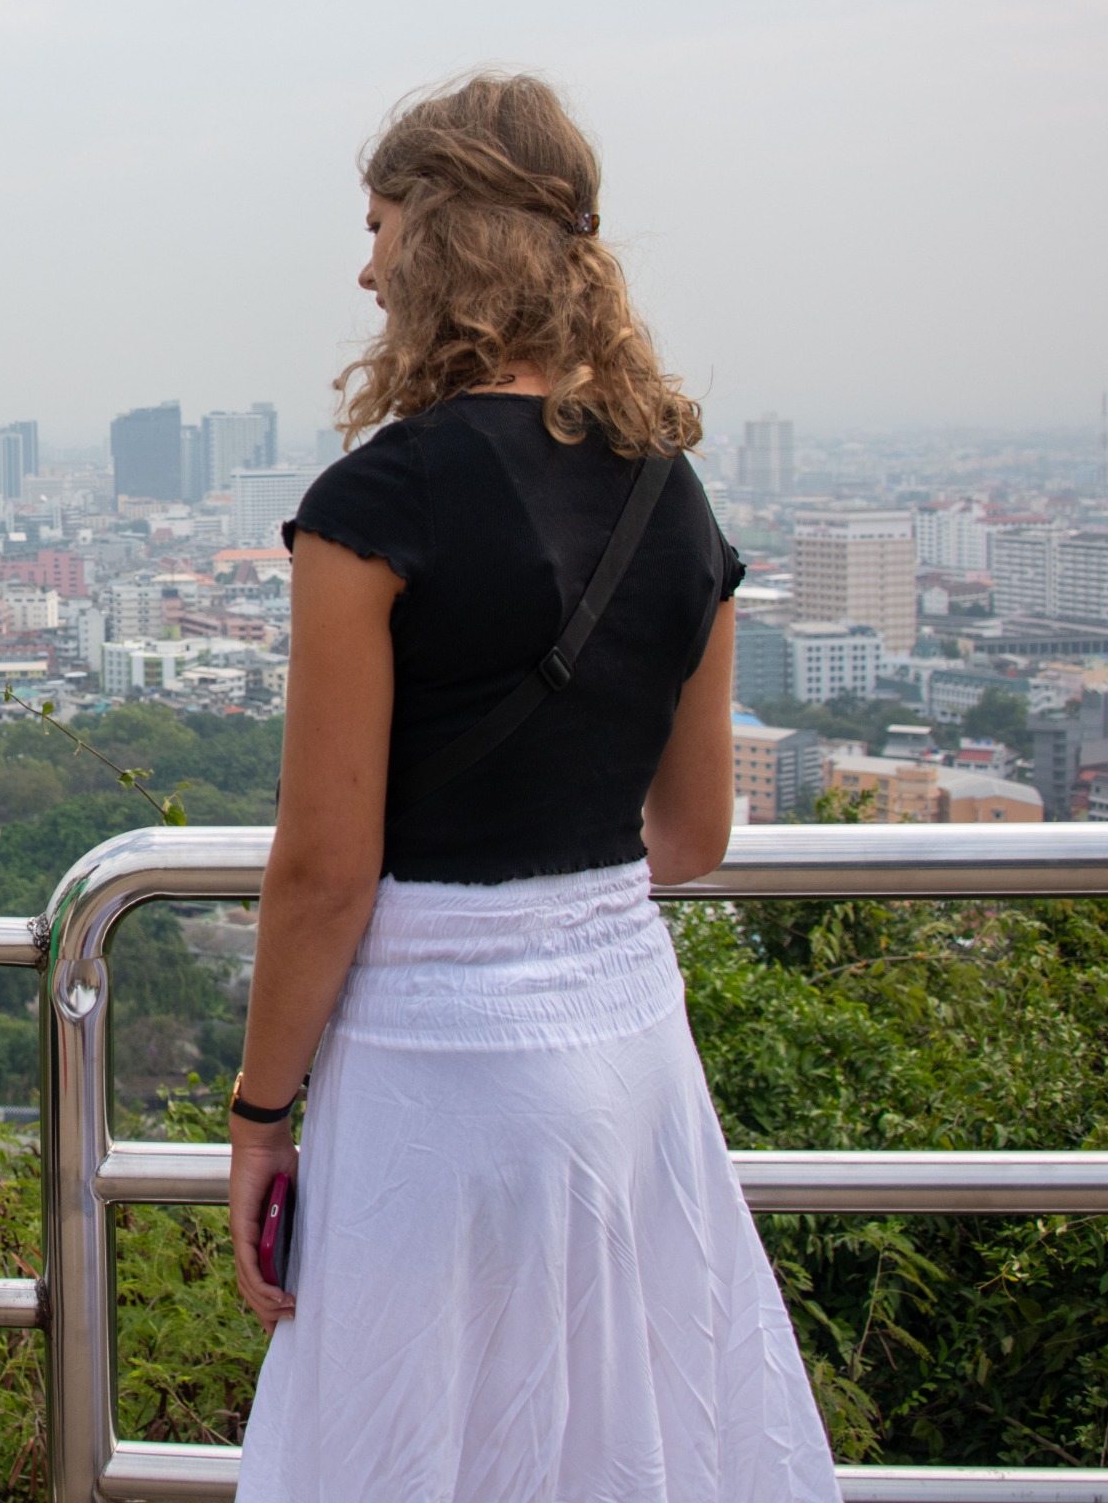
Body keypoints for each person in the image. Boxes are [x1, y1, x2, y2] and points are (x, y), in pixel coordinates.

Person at [226, 78, 839, 1501]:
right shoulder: (672, 495)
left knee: (417, 1439)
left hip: (441, 1063)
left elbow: (325, 866)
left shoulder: (379, 503)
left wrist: (262, 1121)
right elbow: (691, 837)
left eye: (380, 226)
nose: (365, 267)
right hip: (628, 1047)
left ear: (441, 238)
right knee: (613, 1437)